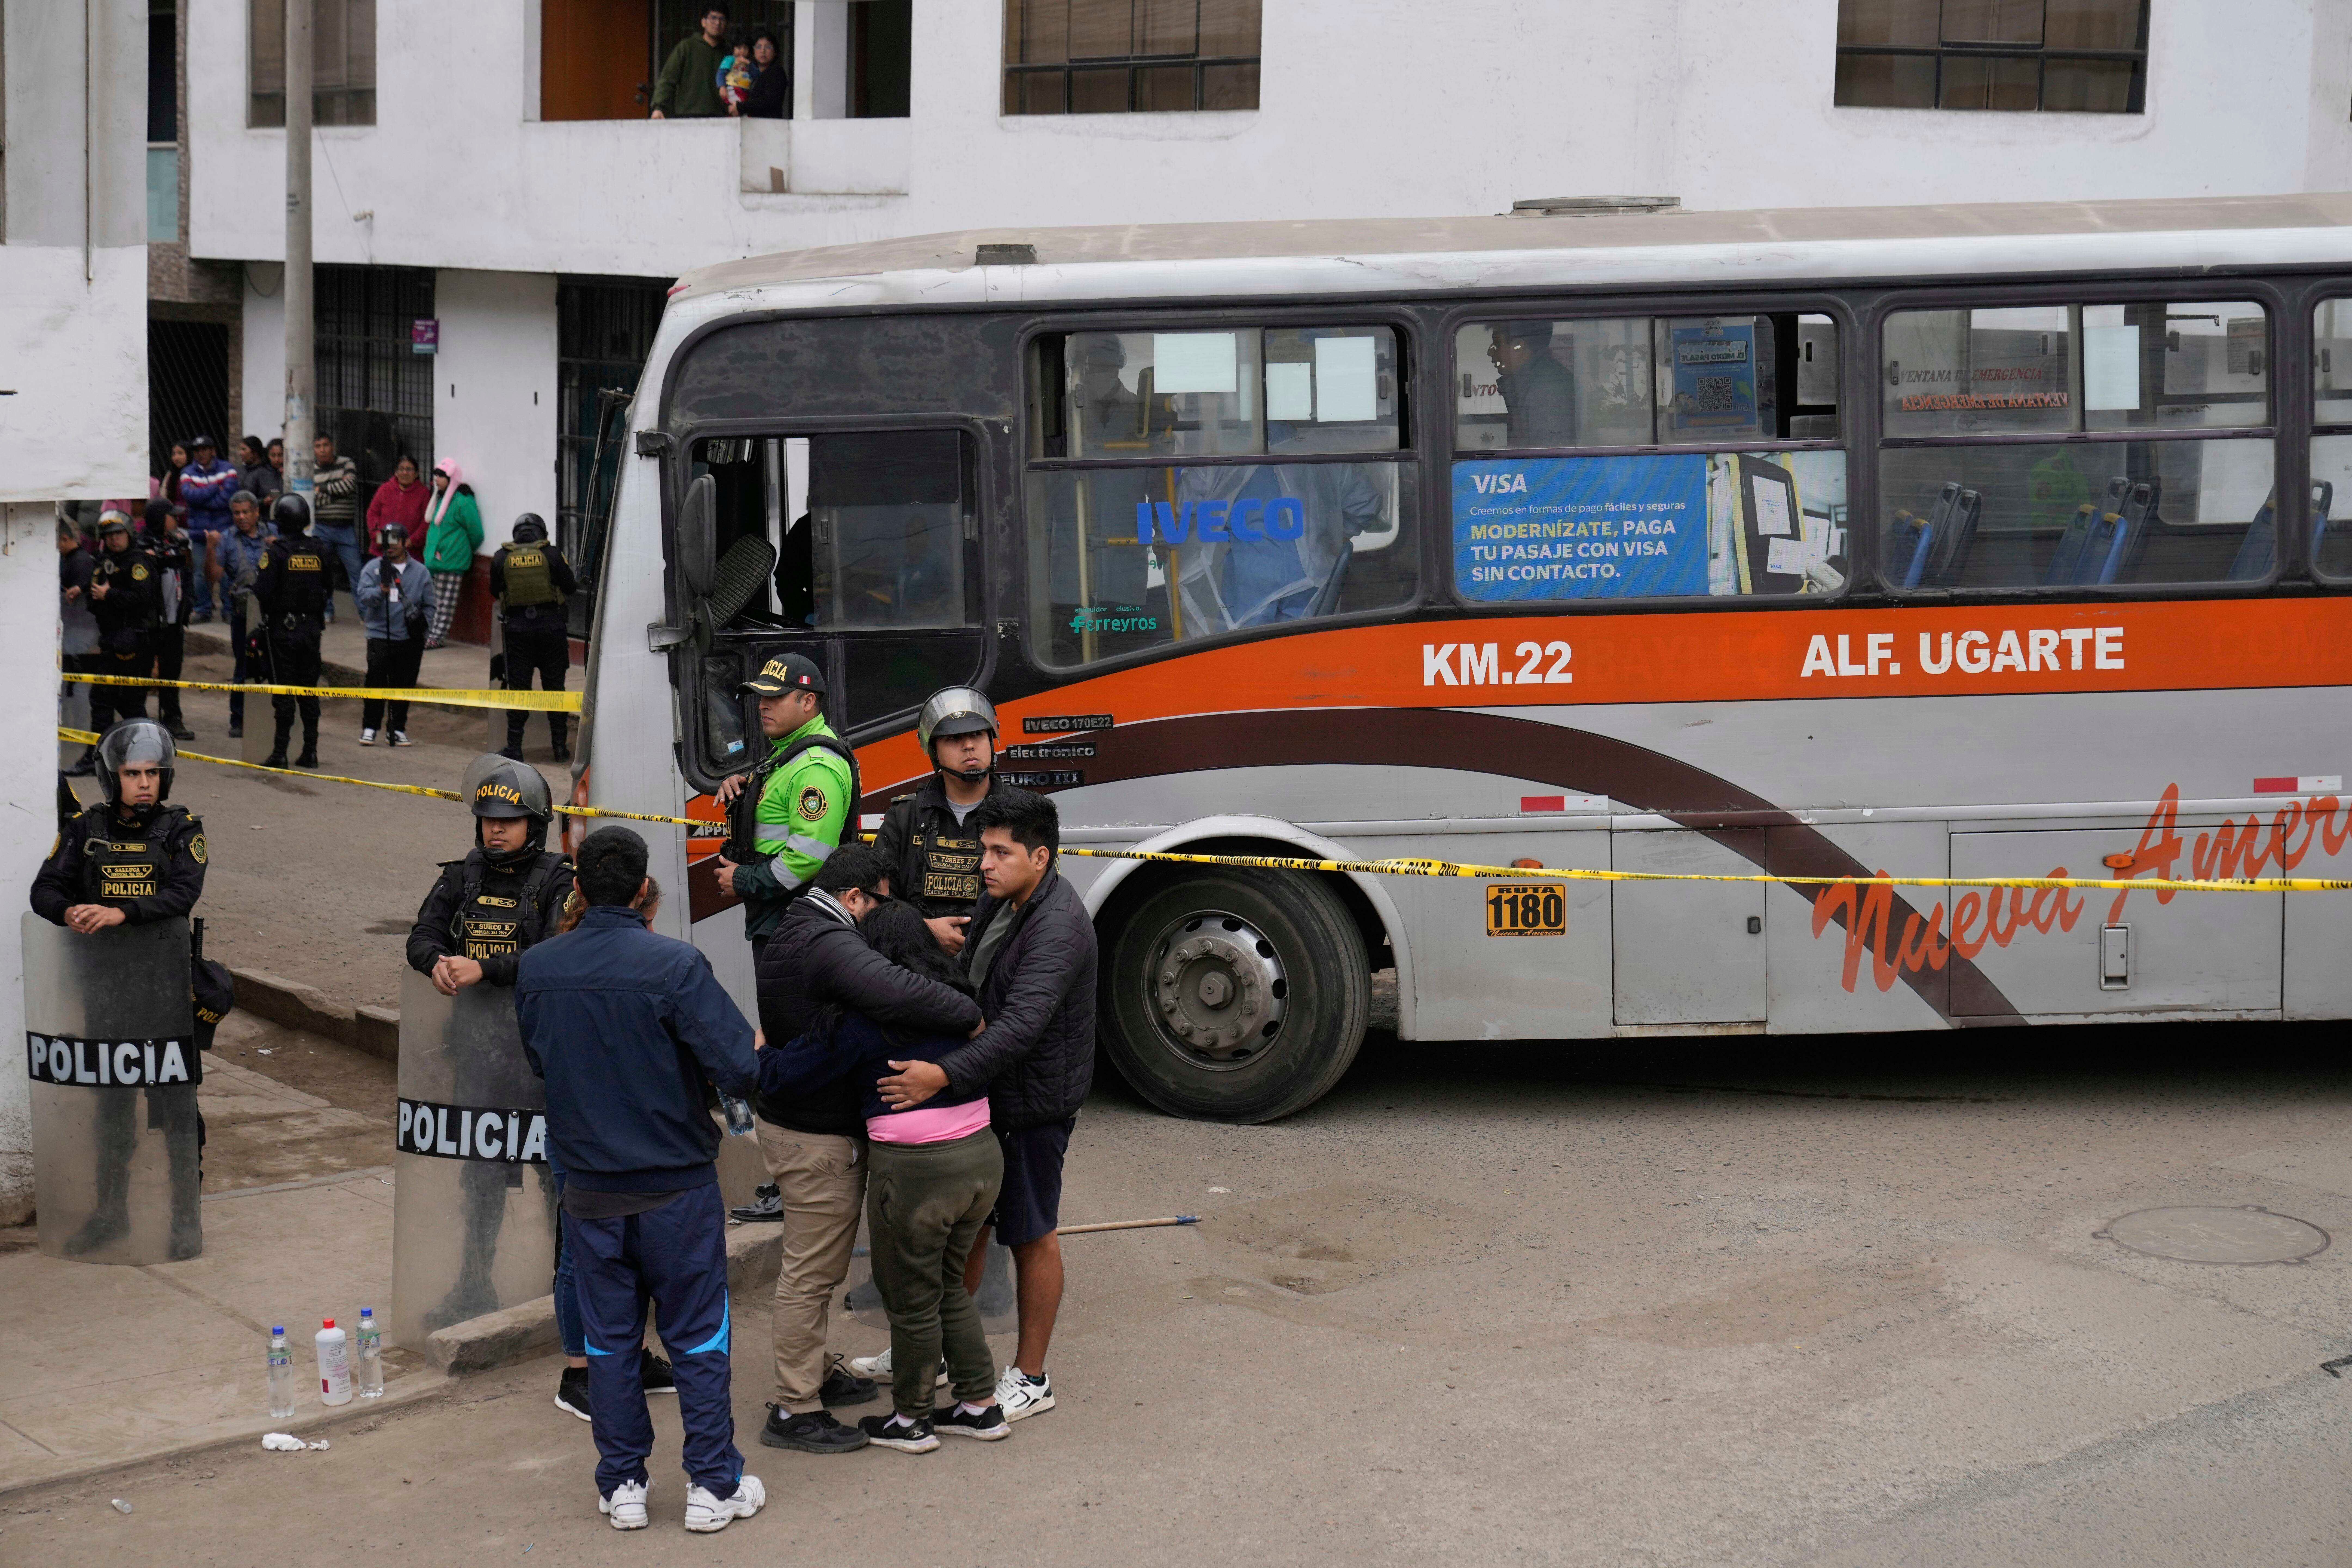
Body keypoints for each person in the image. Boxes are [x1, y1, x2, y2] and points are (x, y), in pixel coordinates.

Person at [515, 826, 765, 1536]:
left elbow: (542, 1061)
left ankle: (623, 1483)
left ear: (580, 890)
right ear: (642, 890)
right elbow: (739, 1069)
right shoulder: (676, 967)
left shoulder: (540, 969)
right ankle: (714, 1486)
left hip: (591, 1189)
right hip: (677, 1189)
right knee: (698, 1338)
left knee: (611, 1343)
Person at [742, 843, 982, 1453]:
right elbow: (897, 989)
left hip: (806, 1120)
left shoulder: (802, 922)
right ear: (854, 899)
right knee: (812, 1274)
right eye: (880, 905)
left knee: (817, 1270)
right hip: (814, 1135)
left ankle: (817, 1374)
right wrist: (969, 1015)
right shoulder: (829, 942)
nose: (881, 919)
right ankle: (795, 1410)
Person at [874, 789, 1096, 1422]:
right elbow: (973, 980)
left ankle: (1031, 1375)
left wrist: (938, 1075)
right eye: (984, 850)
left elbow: (1020, 1027)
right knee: (969, 1229)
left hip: (1034, 1104)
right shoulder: (1003, 898)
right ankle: (938, 1349)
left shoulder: (1058, 924)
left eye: (1001, 852)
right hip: (996, 1091)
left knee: (1031, 1232)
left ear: (1041, 856)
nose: (985, 864)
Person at [30, 719, 213, 1259]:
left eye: (152, 773)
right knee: (111, 1114)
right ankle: (111, 1215)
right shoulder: (86, 830)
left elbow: (182, 895)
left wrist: (120, 913)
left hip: (166, 997)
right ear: (114, 776)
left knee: (178, 1112)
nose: (144, 784)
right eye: (133, 773)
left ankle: (186, 1221)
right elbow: (45, 889)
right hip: (106, 996)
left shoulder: (182, 831)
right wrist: (70, 910)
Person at [711, 652, 856, 954]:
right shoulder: (789, 751)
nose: (763, 705)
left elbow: (809, 858)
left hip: (796, 925)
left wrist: (743, 879)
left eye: (775, 697)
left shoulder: (816, 767)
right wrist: (746, 787)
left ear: (808, 702)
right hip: (785, 919)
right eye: (761, 696)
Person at [873, 687, 1006, 955]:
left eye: (977, 734)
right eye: (954, 738)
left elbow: (1035, 900)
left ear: (992, 740)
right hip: (916, 966)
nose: (969, 745)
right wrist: (924, 932)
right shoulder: (904, 816)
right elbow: (877, 901)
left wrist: (969, 935)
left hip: (995, 960)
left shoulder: (1021, 813)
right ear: (934, 750)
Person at [489, 514, 578, 760]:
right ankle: (560, 748)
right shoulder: (551, 554)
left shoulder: (501, 556)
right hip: (552, 630)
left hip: (518, 632)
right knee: (555, 690)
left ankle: (515, 748)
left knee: (519, 690)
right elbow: (570, 587)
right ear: (542, 532)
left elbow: (494, 591)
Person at [252, 493, 328, 770]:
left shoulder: (276, 553)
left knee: (284, 691)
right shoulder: (321, 550)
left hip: (283, 630)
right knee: (309, 691)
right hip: (311, 629)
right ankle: (311, 752)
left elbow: (261, 592)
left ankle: (281, 752)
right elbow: (329, 587)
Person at [356, 521, 431, 746]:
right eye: (386, 540)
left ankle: (398, 728)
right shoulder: (373, 568)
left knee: (405, 684)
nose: (390, 546)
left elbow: (430, 605)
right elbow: (364, 596)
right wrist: (381, 590)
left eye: (396, 540)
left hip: (410, 639)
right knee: (376, 681)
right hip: (380, 635)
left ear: (406, 542)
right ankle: (370, 727)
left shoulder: (421, 572)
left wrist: (424, 630)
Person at [85, 512, 157, 745]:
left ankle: (146, 750)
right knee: (112, 700)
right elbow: (92, 601)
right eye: (109, 536)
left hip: (132, 642)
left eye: (118, 534)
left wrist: (110, 595)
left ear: (129, 534)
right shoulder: (104, 562)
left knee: (120, 700)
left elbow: (143, 597)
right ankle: (139, 751)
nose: (114, 539)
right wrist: (103, 598)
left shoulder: (137, 562)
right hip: (110, 638)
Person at [217, 491, 273, 740]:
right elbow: (214, 575)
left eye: (246, 512)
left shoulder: (273, 535)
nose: (242, 517)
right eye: (237, 513)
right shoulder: (226, 539)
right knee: (243, 665)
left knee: (272, 665)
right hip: (241, 612)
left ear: (257, 513)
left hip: (271, 610)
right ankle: (238, 718)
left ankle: (272, 717)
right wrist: (210, 549)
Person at [143, 503, 198, 740]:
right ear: (158, 519)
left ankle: (173, 718)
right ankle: (138, 720)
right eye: (171, 517)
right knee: (142, 672)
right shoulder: (143, 545)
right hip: (150, 622)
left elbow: (188, 573)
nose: (176, 520)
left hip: (175, 621)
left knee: (172, 672)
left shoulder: (176, 542)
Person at [421, 459, 482, 649]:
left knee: (444, 604)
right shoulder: (440, 498)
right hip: (435, 560)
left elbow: (477, 533)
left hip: (452, 562)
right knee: (432, 602)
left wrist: (459, 551)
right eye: (436, 475)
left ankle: (436, 638)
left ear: (452, 478)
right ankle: (428, 634)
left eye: (442, 476)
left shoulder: (463, 502)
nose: (437, 479)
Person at [177, 436, 238, 623]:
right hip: (199, 532)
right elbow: (189, 497)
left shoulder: (228, 469)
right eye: (197, 451)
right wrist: (215, 488)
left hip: (224, 532)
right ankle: (203, 609)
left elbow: (228, 498)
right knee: (200, 573)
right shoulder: (187, 472)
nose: (202, 454)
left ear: (213, 451)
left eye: (206, 449)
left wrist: (201, 494)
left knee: (227, 572)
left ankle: (229, 609)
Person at [1490, 320, 1578, 449]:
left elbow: (1548, 464)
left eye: (1497, 344)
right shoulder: (1528, 385)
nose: (1490, 352)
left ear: (1518, 347)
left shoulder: (1547, 391)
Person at [58, 516, 101, 775]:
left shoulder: (82, 562)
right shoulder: (73, 561)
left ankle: (83, 738)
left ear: (65, 539)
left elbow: (82, 604)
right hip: (76, 635)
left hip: (83, 637)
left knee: (82, 692)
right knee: (72, 690)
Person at [310, 433, 364, 621]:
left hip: (345, 529)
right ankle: (327, 611)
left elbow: (349, 486)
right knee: (322, 571)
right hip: (321, 529)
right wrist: (333, 492)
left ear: (333, 446)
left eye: (326, 445)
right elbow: (311, 499)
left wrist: (322, 490)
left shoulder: (347, 464)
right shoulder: (310, 469)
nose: (323, 450)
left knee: (357, 572)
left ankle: (366, 614)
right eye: (318, 446)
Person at [652, 5, 730, 118]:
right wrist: (659, 108)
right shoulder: (687, 47)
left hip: (722, 117)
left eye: (722, 19)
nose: (718, 23)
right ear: (704, 22)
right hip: (688, 117)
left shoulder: (730, 53)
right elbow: (668, 79)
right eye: (713, 18)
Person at [366, 453, 431, 561]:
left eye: (409, 469)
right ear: (396, 472)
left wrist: (412, 541)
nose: (405, 473)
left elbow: (427, 521)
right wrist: (377, 535)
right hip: (382, 551)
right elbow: (373, 513)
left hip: (409, 554)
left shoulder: (423, 493)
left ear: (416, 474)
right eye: (402, 469)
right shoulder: (385, 489)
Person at [739, 27, 787, 117]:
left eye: (768, 47)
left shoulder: (776, 72)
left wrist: (741, 108)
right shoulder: (749, 72)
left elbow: (769, 100)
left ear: (775, 52)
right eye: (758, 47)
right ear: (753, 51)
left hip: (769, 126)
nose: (763, 51)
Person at [238, 435, 281, 503]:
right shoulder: (243, 470)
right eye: (273, 455)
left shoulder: (271, 472)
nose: (277, 460)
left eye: (244, 450)